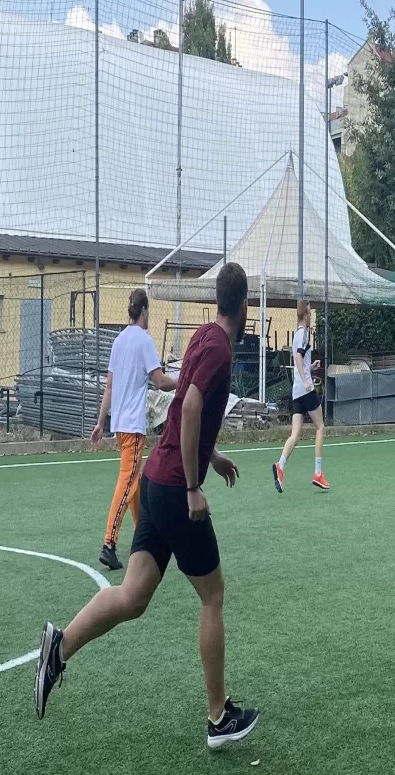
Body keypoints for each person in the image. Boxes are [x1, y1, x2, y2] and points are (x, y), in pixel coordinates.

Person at [35, 262, 259, 750]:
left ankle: (60, 646)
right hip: (178, 487)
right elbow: (193, 406)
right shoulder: (221, 349)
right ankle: (219, 717)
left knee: (134, 595)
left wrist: (211, 453)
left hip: (156, 478)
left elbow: (179, 406)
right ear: (244, 305)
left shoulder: (203, 336)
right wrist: (196, 484)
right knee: (213, 596)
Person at [91, 288, 178, 571]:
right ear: (144, 311)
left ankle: (145, 537)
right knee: (127, 482)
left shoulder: (119, 341)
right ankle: (109, 542)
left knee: (134, 483)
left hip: (119, 425)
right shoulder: (144, 341)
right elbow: (160, 382)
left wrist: (101, 422)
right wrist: (185, 379)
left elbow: (109, 385)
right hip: (133, 425)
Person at [272, 299, 329, 493]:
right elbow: (297, 357)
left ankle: (280, 465)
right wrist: (307, 380)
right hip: (305, 389)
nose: (311, 316)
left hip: (297, 391)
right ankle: (318, 473)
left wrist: (309, 368)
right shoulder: (304, 334)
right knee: (320, 427)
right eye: (311, 313)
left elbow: (300, 360)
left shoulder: (297, 334)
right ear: (305, 315)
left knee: (295, 435)